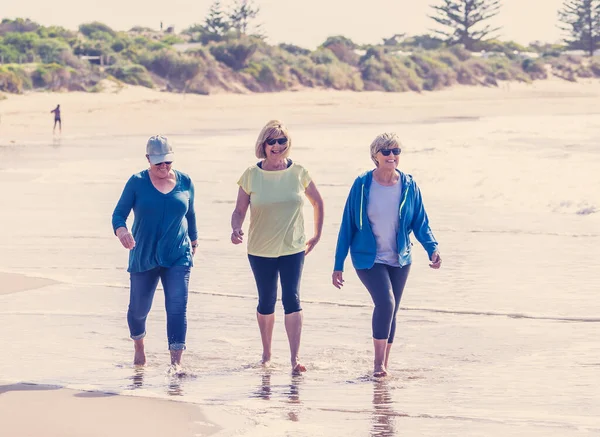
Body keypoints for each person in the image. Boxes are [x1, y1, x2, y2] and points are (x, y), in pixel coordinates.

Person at [332, 132, 441, 378]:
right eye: (387, 151)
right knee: (386, 303)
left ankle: (385, 364)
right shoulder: (362, 185)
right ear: (375, 156)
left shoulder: (409, 185)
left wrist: (432, 247)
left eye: (396, 151)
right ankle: (378, 365)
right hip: (367, 258)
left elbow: (420, 222)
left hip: (400, 258)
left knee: (393, 309)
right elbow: (347, 225)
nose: (392, 156)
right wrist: (338, 263)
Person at [231, 119, 324, 374]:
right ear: (263, 145)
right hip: (260, 249)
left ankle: (295, 358)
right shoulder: (251, 175)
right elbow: (239, 211)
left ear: (288, 143)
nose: (277, 145)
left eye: (281, 141)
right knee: (267, 300)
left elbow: (318, 202)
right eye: (271, 141)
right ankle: (267, 353)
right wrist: (235, 228)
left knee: (292, 298)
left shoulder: (299, 172)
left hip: (293, 247)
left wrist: (316, 235)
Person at [112, 135, 198, 367]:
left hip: (178, 254)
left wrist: (194, 241)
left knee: (177, 306)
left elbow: (190, 214)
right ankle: (139, 346)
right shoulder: (137, 182)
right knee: (139, 309)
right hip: (144, 254)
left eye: (167, 161)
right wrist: (122, 232)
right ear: (148, 159)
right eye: (158, 162)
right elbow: (118, 214)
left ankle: (176, 364)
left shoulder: (185, 181)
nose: (163, 167)